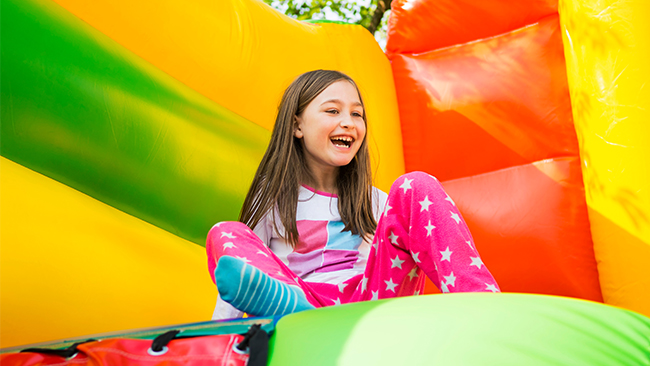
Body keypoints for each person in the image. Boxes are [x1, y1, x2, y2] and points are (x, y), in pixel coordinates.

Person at [206, 70, 500, 320]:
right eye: (333, 111)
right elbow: (243, 267)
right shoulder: (274, 197)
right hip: (302, 304)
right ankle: (294, 309)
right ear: (297, 125)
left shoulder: (378, 202)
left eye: (356, 114)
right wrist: (221, 339)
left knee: (415, 185)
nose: (348, 121)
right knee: (226, 232)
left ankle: (484, 305)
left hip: (370, 304)